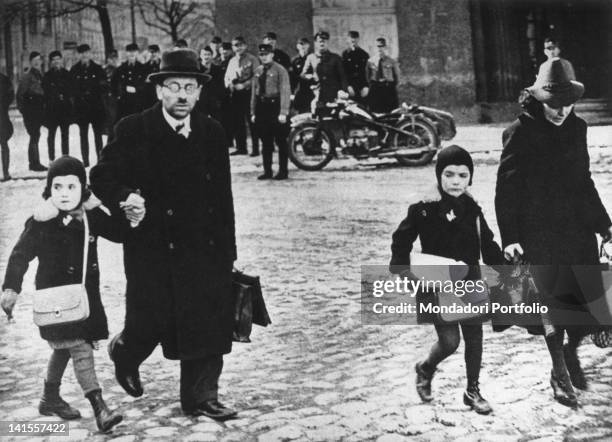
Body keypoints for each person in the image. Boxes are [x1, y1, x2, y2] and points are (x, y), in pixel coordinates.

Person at [90, 49, 238, 421]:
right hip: (151, 248)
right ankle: (125, 352)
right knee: (149, 321)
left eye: (190, 87)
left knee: (204, 320)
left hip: (202, 247)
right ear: (159, 91)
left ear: (200, 92)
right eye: (173, 86)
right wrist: (126, 196)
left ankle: (201, 395)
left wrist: (227, 252)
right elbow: (101, 176)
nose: (182, 95)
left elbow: (223, 197)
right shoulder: (134, 128)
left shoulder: (212, 132)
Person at [496, 58, 612, 408]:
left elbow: (584, 181)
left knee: (580, 304)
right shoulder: (519, 131)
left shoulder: (577, 128)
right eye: (553, 105)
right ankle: (559, 373)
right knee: (552, 304)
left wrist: (605, 226)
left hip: (576, 229)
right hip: (538, 232)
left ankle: (570, 353)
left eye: (567, 104)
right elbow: (506, 190)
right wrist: (510, 237)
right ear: (539, 100)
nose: (561, 111)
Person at [0, 156, 124, 432]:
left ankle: (50, 397)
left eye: (71, 186)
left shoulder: (91, 216)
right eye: (57, 187)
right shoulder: (41, 221)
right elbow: (20, 254)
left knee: (65, 348)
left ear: (83, 188)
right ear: (49, 190)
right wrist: (11, 287)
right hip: (55, 301)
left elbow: (119, 232)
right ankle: (99, 407)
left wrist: (122, 212)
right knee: (79, 347)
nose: (64, 194)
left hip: (83, 300)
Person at [390, 145, 506, 415]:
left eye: (463, 176)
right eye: (449, 174)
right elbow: (401, 239)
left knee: (475, 337)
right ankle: (426, 367)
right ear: (438, 176)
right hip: (437, 281)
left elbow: (486, 243)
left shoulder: (473, 209)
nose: (456, 181)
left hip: (470, 280)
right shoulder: (423, 209)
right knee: (450, 341)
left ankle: (473, 391)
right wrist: (403, 270)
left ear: (470, 178)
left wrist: (505, 266)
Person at [251, 44, 291, 180]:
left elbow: (285, 91)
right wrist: (253, 112)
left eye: (266, 54)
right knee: (266, 141)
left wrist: (284, 112)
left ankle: (283, 171)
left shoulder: (280, 70)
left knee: (280, 140)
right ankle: (267, 171)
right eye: (261, 54)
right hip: (262, 107)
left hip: (276, 106)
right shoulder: (257, 71)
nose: (264, 57)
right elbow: (254, 93)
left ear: (272, 55)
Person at [70, 44, 107, 167]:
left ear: (90, 54)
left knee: (98, 135)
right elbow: (72, 89)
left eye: (87, 53)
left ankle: (100, 160)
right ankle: (85, 161)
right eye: (82, 53)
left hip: (96, 107)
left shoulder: (98, 69)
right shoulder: (74, 70)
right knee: (83, 135)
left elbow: (104, 87)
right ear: (79, 55)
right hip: (82, 108)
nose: (85, 55)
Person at [224, 36, 260, 156]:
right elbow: (227, 77)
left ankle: (255, 149)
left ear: (245, 46)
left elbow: (257, 75)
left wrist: (244, 85)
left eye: (240, 45)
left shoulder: (252, 59)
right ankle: (241, 147)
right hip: (235, 94)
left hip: (248, 93)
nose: (238, 48)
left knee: (252, 121)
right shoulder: (232, 61)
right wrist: (229, 84)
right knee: (237, 121)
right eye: (235, 45)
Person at [17, 51, 47, 171]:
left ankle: (35, 162)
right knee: (34, 135)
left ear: (41, 62)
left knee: (36, 135)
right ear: (30, 62)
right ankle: (34, 163)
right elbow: (20, 95)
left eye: (38, 60)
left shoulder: (40, 75)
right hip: (30, 111)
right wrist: (24, 111)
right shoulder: (27, 76)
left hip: (38, 110)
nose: (36, 62)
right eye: (34, 60)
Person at [302, 31, 348, 108]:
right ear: (316, 43)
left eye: (324, 41)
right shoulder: (311, 57)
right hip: (317, 92)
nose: (322, 44)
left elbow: (342, 76)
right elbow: (304, 74)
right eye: (320, 41)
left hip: (333, 93)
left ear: (328, 42)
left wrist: (344, 91)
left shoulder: (335, 58)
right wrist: (311, 77)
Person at [43, 51, 72, 160]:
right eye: (54, 60)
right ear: (51, 62)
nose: (56, 62)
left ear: (61, 60)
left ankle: (65, 157)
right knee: (51, 136)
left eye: (58, 59)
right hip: (52, 110)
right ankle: (52, 159)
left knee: (65, 135)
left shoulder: (67, 74)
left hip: (64, 110)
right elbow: (45, 92)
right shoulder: (47, 76)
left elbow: (71, 90)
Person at [112, 43, 146, 122]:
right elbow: (113, 85)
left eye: (134, 51)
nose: (132, 54)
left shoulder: (143, 69)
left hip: (139, 105)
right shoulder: (120, 69)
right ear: (126, 53)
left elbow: (146, 86)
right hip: (123, 105)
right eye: (129, 51)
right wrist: (118, 95)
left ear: (137, 53)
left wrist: (136, 89)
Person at [366, 37, 400, 113]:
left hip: (388, 89)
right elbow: (368, 76)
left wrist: (390, 85)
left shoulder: (391, 61)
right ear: (374, 48)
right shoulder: (370, 61)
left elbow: (397, 77)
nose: (379, 49)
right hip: (376, 89)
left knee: (391, 111)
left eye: (382, 46)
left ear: (385, 47)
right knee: (375, 112)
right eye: (377, 46)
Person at [196, 46, 224, 120]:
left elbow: (221, 86)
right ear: (201, 56)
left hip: (214, 101)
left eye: (208, 54)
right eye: (204, 54)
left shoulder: (218, 70)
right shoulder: (196, 70)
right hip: (200, 102)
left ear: (212, 56)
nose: (206, 57)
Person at [342, 31, 370, 104]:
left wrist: (366, 86)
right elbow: (343, 73)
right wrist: (348, 86)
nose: (353, 40)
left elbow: (367, 72)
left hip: (362, 86)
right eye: (351, 38)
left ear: (358, 39)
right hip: (350, 86)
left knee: (363, 108)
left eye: (355, 37)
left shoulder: (364, 54)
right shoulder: (345, 54)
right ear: (348, 39)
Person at [289, 37, 315, 114]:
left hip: (312, 90)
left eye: (305, 44)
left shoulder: (313, 58)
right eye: (301, 44)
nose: (303, 46)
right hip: (300, 91)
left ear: (309, 46)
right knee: (301, 113)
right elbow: (292, 78)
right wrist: (292, 92)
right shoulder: (294, 60)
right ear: (297, 46)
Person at [218, 42, 235, 148]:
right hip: (221, 95)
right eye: (223, 49)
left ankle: (232, 141)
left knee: (231, 120)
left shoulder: (232, 62)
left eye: (227, 49)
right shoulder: (218, 62)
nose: (224, 51)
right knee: (223, 119)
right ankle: (226, 141)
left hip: (231, 94)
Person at [0, 72, 14, 180]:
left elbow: (11, 94)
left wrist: (3, 105)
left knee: (4, 143)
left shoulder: (4, 79)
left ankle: (6, 172)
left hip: (2, 116)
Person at [103, 50, 119, 135]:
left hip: (116, 100)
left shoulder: (119, 69)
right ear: (108, 59)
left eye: (115, 58)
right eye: (111, 58)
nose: (113, 60)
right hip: (107, 100)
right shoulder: (104, 70)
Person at [142, 45, 161, 109]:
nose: (153, 54)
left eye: (155, 52)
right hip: (148, 96)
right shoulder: (145, 67)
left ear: (159, 53)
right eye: (151, 52)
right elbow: (142, 82)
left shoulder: (163, 65)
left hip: (160, 95)